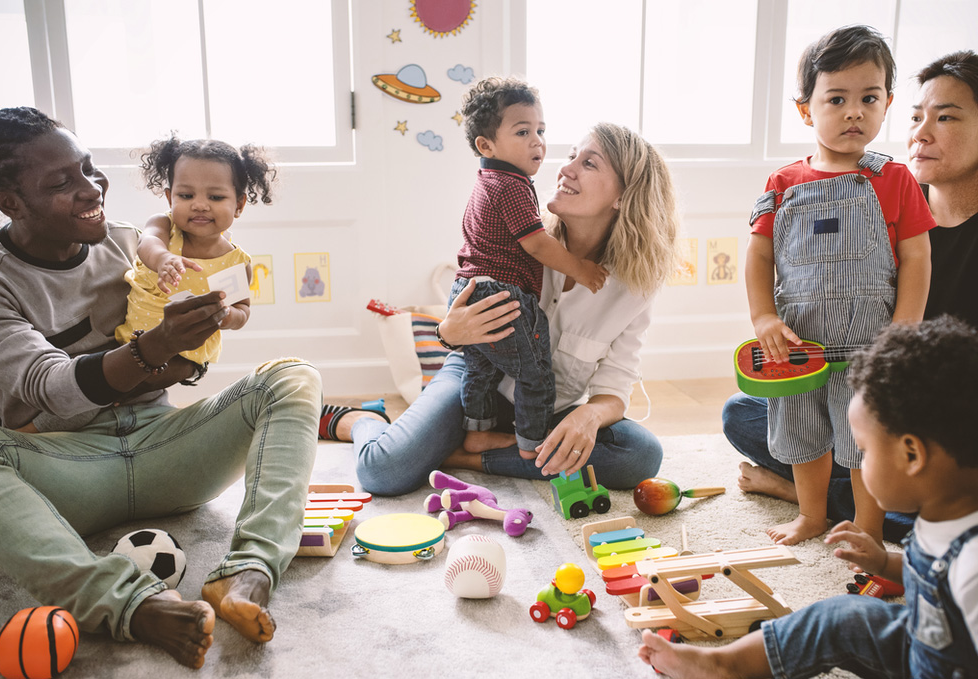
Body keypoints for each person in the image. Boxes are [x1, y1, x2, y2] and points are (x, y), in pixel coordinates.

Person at [0, 107, 321, 668]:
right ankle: (129, 605)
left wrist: (199, 341)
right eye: (63, 183)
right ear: (9, 201)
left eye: (89, 169)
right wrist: (155, 348)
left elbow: (198, 349)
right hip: (67, 465)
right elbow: (52, 388)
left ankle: (249, 571)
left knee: (292, 376)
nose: (93, 189)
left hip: (165, 445)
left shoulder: (128, 243)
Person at [336, 121, 678, 495]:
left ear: (623, 197)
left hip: (548, 410)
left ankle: (465, 458)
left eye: (589, 164)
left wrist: (590, 415)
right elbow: (457, 314)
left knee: (639, 454)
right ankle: (360, 420)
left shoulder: (634, 286)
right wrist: (447, 333)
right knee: (383, 472)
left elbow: (615, 384)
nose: (565, 169)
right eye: (570, 157)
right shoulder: (518, 237)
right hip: (475, 381)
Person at [724, 49, 978, 545]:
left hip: (909, 389)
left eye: (945, 117)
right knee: (754, 415)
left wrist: (899, 336)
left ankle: (859, 516)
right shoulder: (789, 184)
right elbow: (759, 256)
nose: (854, 112)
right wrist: (765, 318)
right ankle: (818, 507)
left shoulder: (892, 182)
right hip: (814, 357)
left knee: (870, 446)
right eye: (916, 116)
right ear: (807, 109)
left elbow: (917, 265)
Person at [639, 316, 978, 679]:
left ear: (912, 456)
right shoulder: (940, 513)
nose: (856, 462)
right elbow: (922, 573)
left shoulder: (971, 566)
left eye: (863, 451)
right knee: (840, 617)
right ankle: (725, 665)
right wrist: (882, 562)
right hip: (921, 640)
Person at [451, 76, 607, 460]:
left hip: (469, 288)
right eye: (523, 131)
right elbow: (536, 243)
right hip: (497, 293)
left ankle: (477, 433)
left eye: (540, 129)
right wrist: (582, 269)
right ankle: (531, 445)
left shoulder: (488, 180)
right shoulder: (511, 184)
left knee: (481, 371)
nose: (537, 140)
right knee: (535, 372)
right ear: (486, 145)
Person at [115, 134, 273, 373]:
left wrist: (228, 315)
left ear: (239, 205)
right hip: (136, 342)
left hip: (188, 356)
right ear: (170, 198)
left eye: (216, 197)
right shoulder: (164, 228)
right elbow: (147, 243)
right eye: (186, 196)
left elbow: (243, 309)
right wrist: (163, 258)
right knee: (130, 384)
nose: (200, 205)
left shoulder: (235, 263)